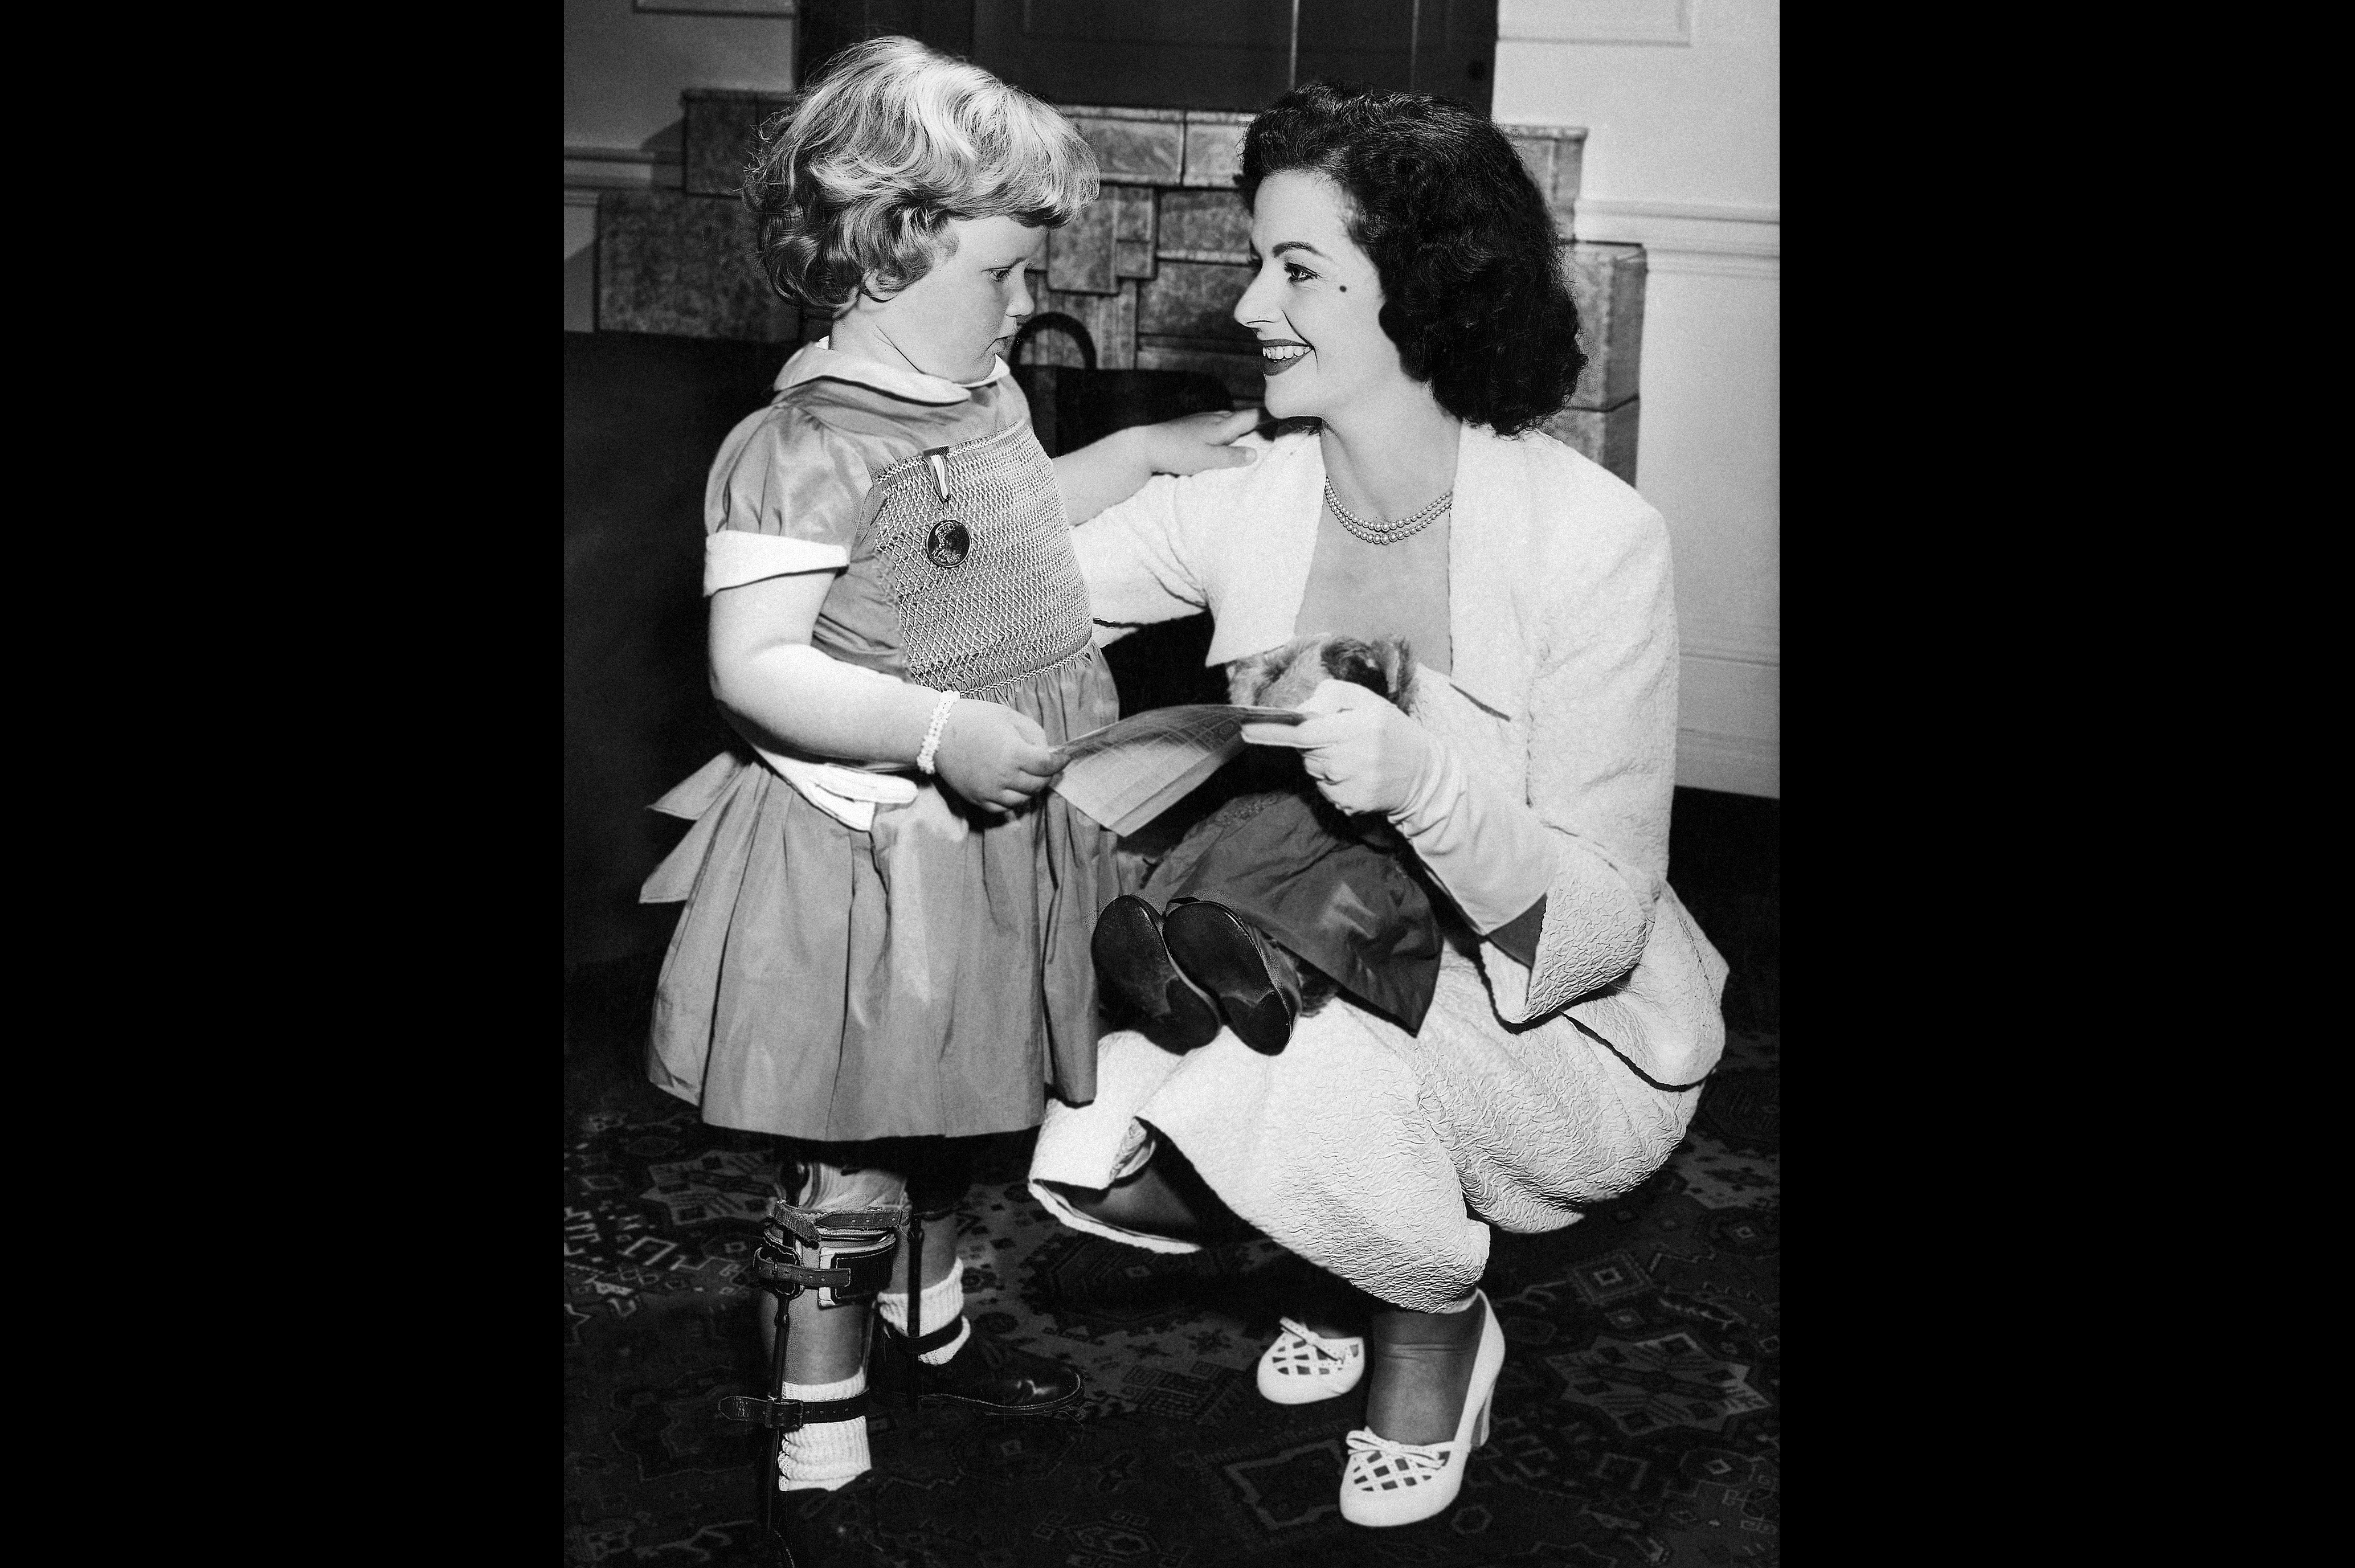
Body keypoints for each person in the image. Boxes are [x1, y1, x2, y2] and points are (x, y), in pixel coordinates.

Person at [1030, 80, 1731, 1528]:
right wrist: (1122, 456)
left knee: (1314, 1060)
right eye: (1255, 263)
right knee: (1131, 1074)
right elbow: (975, 593)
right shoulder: (1249, 501)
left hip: (1551, 1029)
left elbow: (1593, 927)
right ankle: (1344, 1236)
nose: (1245, 310)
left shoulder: (1593, 540)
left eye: (1298, 272)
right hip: (1304, 952)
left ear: (1423, 293)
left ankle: (1432, 1316)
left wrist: (1428, 781)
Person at [635, 36, 1258, 1510]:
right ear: (889, 243)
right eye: (1001, 274)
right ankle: (818, 1422)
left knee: (953, 1089)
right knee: (851, 1134)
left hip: (979, 831)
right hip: (866, 849)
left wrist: (1156, 451)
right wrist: (936, 732)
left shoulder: (966, 389)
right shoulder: (801, 442)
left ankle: (927, 1308)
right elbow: (756, 662)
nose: (1025, 301)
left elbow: (1024, 515)